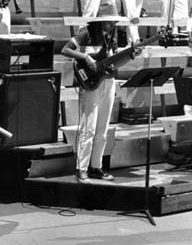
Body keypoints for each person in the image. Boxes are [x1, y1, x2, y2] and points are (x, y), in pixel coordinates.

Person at [61, 13, 143, 181]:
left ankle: (96, 166)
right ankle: (81, 168)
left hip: (108, 81)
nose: (112, 25)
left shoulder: (111, 38)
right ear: (101, 22)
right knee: (88, 127)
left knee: (103, 128)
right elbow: (65, 49)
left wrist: (132, 55)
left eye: (114, 22)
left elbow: (115, 62)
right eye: (109, 22)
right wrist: (85, 56)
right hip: (91, 82)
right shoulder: (86, 34)